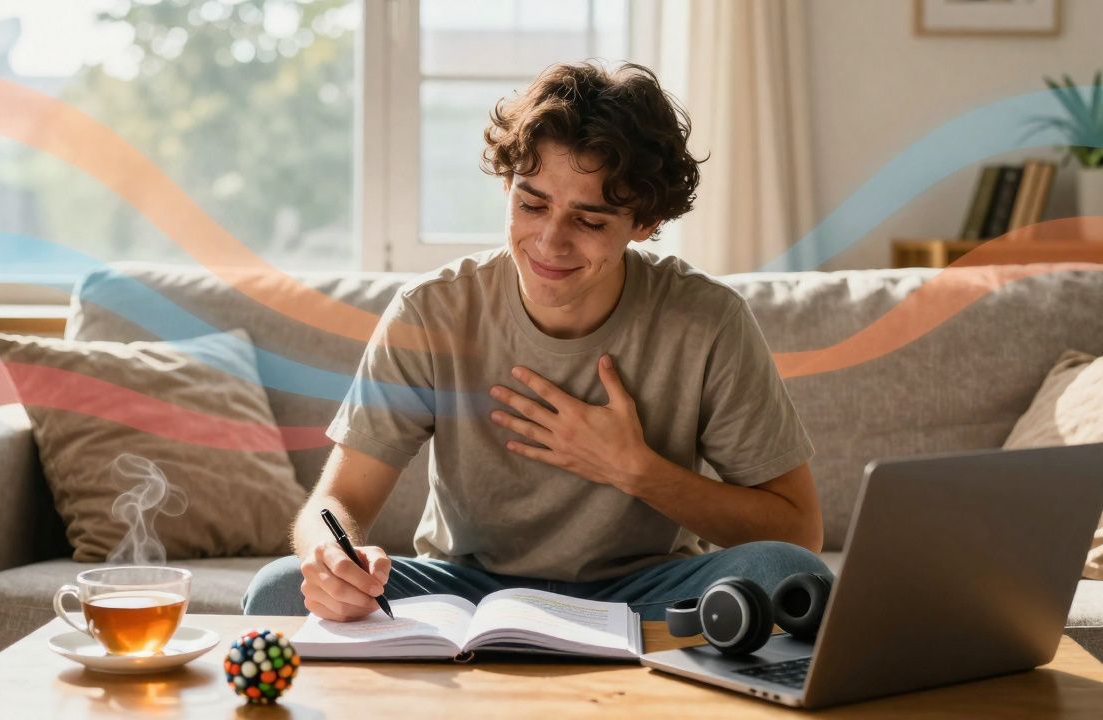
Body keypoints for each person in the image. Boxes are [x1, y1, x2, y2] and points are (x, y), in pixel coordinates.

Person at [244, 60, 829, 622]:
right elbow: (337, 499)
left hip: (647, 589)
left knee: (792, 578)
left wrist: (636, 469)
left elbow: (799, 534)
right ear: (508, 185)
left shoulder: (707, 321)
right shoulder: (433, 311)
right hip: (468, 591)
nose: (550, 243)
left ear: (645, 224)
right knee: (278, 593)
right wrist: (329, 556)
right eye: (531, 204)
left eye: (590, 221)